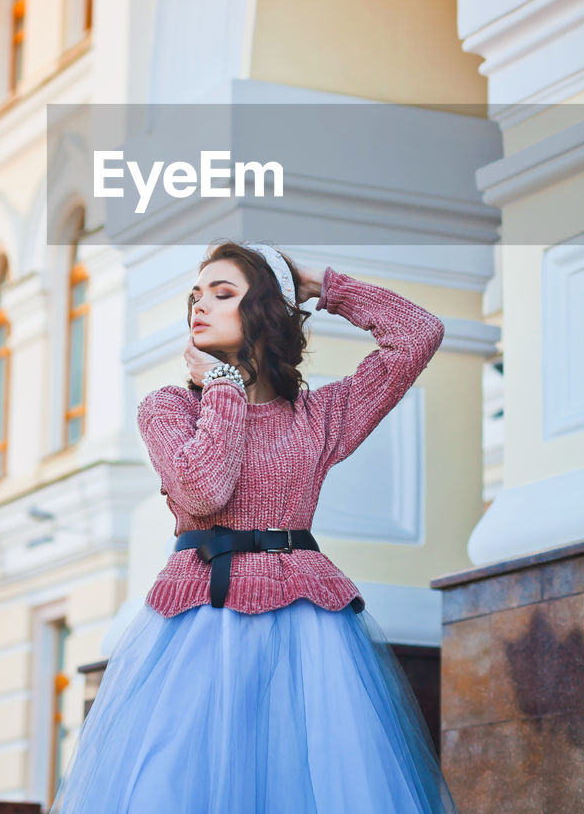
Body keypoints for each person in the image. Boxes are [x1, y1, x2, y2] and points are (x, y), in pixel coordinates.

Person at [49, 239, 459, 813]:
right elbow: (205, 489)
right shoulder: (169, 408)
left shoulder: (319, 415)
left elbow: (419, 335)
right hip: (197, 630)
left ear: (263, 311)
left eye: (223, 294)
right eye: (196, 295)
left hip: (306, 631)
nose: (200, 305)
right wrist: (223, 385)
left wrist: (321, 285)